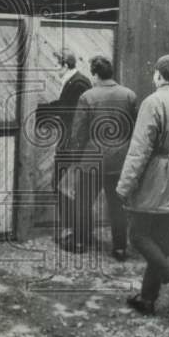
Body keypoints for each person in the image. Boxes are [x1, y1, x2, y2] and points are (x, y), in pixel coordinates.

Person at [116, 54, 169, 315]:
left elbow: (140, 149)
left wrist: (125, 185)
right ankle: (147, 299)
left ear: (159, 76)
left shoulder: (153, 102)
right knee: (161, 241)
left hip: (154, 175)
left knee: (138, 235)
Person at [68, 55, 138, 259]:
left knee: (83, 201)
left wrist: (75, 158)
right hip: (119, 160)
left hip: (92, 159)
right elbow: (135, 128)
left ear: (95, 73)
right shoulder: (129, 95)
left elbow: (78, 132)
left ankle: (80, 242)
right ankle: (119, 248)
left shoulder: (87, 97)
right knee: (117, 205)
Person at [37, 50, 93, 252]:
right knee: (65, 187)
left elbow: (68, 110)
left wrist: (40, 111)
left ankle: (74, 234)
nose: (53, 68)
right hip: (71, 142)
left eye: (55, 64)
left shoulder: (78, 83)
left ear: (64, 65)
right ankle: (76, 233)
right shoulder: (74, 81)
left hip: (73, 145)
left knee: (64, 187)